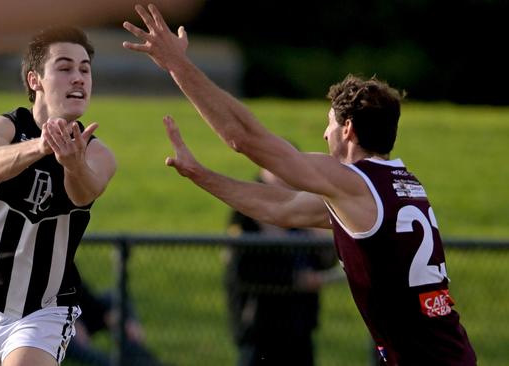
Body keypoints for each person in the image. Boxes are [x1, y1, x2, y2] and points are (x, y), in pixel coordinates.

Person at [122, 4, 476, 365]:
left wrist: (177, 65)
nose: (324, 134)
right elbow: (280, 208)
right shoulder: (399, 185)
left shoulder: (355, 183)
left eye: (330, 125)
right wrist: (201, 175)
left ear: (349, 129)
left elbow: (245, 138)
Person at [0, 25, 116, 366]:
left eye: (85, 69)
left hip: (44, 309)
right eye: (65, 67)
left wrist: (72, 164)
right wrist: (41, 146)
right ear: (34, 80)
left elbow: (83, 192)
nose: (78, 78)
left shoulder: (98, 155)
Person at [225, 168, 341, 366]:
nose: (282, 178)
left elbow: (325, 260)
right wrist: (293, 279)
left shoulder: (302, 214)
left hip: (300, 324)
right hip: (260, 326)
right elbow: (242, 270)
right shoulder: (246, 216)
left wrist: (318, 236)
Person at [65, 282, 163, 366]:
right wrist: (71, 320)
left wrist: (106, 315)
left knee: (114, 297)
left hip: (80, 313)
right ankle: (117, 363)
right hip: (60, 322)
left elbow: (81, 292)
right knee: (81, 351)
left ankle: (137, 352)